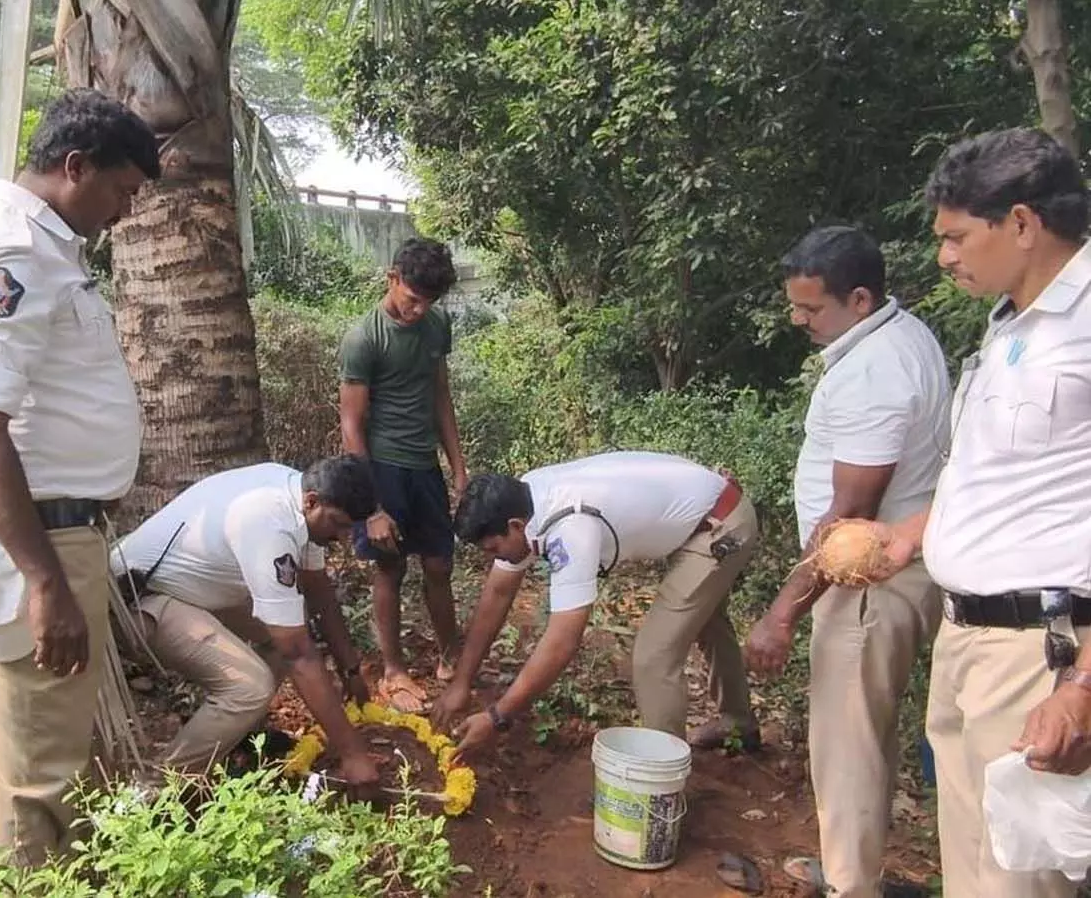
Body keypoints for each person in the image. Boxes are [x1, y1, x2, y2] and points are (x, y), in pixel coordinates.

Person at [0, 88, 159, 866]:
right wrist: (43, 582)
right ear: (75, 166)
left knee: (39, 754)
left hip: (57, 531)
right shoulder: (14, 256)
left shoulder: (45, 247)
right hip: (41, 538)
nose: (124, 213)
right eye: (123, 191)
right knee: (42, 778)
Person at [864, 128, 1091, 898]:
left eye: (957, 236)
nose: (944, 257)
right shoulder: (1008, 326)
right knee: (970, 868)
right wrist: (912, 533)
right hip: (967, 639)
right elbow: (992, 473)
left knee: (1019, 883)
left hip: (1040, 652)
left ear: (1022, 224)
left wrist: (1083, 689)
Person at [743, 225, 950, 898]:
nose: (799, 321)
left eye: (811, 309)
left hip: (866, 582)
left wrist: (782, 612)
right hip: (890, 573)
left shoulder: (873, 371)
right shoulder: (901, 337)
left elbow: (850, 517)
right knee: (867, 731)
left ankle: (849, 888)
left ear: (859, 298)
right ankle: (850, 870)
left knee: (849, 744)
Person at [431, 450, 761, 761]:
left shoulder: (570, 528)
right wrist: (462, 681)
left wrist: (497, 717)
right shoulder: (525, 498)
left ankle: (663, 787)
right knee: (705, 619)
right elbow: (497, 594)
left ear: (516, 526)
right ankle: (738, 723)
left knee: (653, 655)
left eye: (493, 549)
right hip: (705, 512)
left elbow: (562, 642)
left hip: (721, 524)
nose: (494, 559)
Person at [110, 456, 381, 800]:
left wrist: (351, 667)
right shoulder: (270, 523)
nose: (342, 538)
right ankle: (154, 791)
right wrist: (353, 754)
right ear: (312, 501)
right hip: (134, 600)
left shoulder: (299, 495)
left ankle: (235, 743)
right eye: (339, 525)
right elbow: (297, 653)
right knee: (250, 687)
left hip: (186, 591)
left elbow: (318, 591)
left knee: (287, 629)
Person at [338, 237, 468, 713]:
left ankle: (451, 652)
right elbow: (351, 422)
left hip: (424, 466)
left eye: (428, 302)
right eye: (413, 298)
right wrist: (371, 506)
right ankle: (393, 670)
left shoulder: (436, 326)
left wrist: (457, 466)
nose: (419, 310)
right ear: (392, 278)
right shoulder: (363, 338)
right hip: (383, 469)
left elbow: (440, 396)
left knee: (439, 565)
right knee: (390, 566)